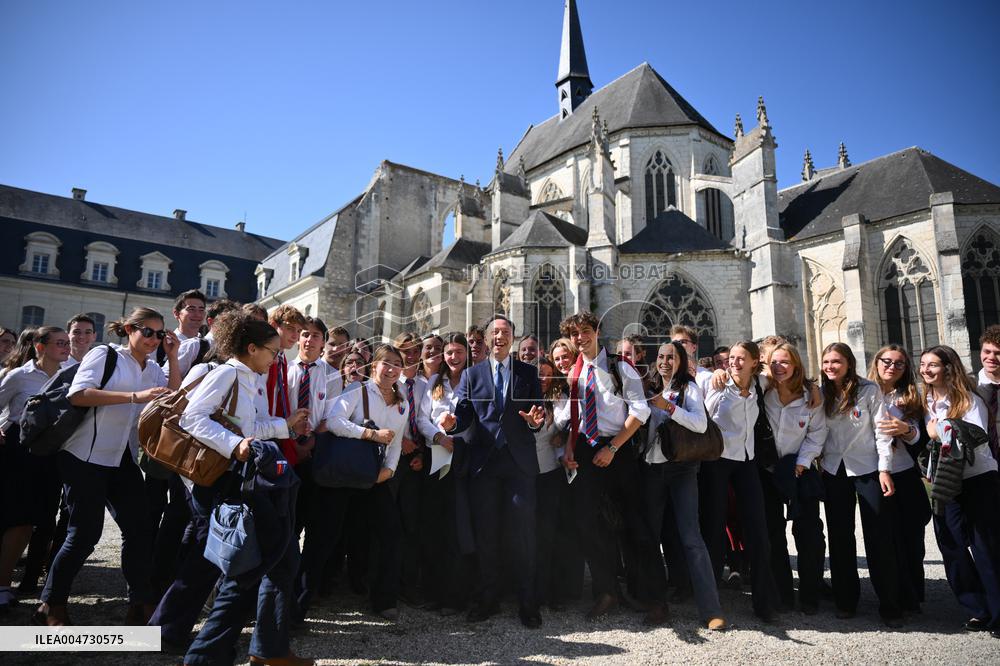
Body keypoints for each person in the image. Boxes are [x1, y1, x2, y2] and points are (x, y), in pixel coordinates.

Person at [151, 311, 307, 656]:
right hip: (212, 480)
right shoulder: (225, 374)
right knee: (220, 557)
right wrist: (233, 445)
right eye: (273, 351)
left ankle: (173, 633)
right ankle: (176, 636)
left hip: (230, 478)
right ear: (252, 348)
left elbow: (250, 429)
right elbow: (192, 417)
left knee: (215, 557)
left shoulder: (252, 378)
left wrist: (286, 426)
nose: (276, 357)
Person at [35, 307, 181, 627]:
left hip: (121, 457)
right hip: (82, 455)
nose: (154, 339)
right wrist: (134, 396)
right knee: (85, 534)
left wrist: (172, 357)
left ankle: (140, 603)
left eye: (160, 333)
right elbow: (79, 394)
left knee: (140, 530)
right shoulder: (105, 353)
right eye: (148, 332)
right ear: (129, 329)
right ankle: (51, 602)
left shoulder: (153, 367)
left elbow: (173, 396)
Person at [440, 315, 545, 627]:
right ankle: (489, 598)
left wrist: (535, 422)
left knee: (523, 533)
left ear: (512, 338)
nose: (500, 336)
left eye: (506, 332)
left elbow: (537, 412)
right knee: (486, 534)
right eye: (494, 332)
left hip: (519, 463)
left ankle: (528, 602)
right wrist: (453, 424)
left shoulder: (528, 372)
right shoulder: (473, 374)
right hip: (485, 465)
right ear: (486, 339)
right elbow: (464, 414)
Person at [297, 344, 408, 621]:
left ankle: (384, 600)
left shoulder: (402, 402)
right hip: (343, 475)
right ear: (375, 367)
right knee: (323, 540)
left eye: (397, 363)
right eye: (387, 363)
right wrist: (369, 435)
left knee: (391, 535)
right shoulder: (357, 391)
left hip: (374, 478)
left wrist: (390, 471)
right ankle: (296, 606)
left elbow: (395, 441)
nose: (392, 368)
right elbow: (333, 422)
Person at [555, 312, 651, 620]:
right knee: (588, 524)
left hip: (617, 447)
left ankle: (648, 596)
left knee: (633, 524)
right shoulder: (576, 372)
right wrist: (570, 448)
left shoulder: (620, 367)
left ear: (597, 331)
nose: (580, 338)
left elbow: (640, 411)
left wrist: (612, 447)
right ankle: (606, 590)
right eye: (574, 334)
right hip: (586, 449)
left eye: (585, 331)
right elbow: (577, 417)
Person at [641, 341, 726, 629]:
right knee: (650, 538)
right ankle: (655, 604)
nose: (665, 361)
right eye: (661, 357)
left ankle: (710, 609)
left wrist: (668, 407)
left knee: (692, 538)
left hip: (681, 470)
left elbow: (700, 425)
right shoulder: (647, 388)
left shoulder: (689, 389)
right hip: (651, 470)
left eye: (671, 357)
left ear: (680, 362)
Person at [819, 342, 902, 627]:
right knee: (840, 538)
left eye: (836, 361)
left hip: (867, 468)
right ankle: (846, 601)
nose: (830, 366)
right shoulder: (820, 393)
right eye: (827, 361)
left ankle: (890, 605)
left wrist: (884, 470)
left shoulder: (869, 390)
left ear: (849, 363)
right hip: (834, 469)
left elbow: (881, 432)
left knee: (878, 537)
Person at [920, 345, 1000, 637]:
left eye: (933, 365)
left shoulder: (968, 399)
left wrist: (938, 431)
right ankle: (976, 609)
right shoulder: (927, 399)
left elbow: (977, 439)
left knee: (986, 547)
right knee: (951, 544)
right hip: (945, 481)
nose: (926, 370)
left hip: (977, 478)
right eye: (923, 364)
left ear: (948, 368)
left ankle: (998, 612)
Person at [700, 340, 780, 622]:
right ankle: (710, 603)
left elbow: (789, 376)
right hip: (718, 462)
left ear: (755, 362)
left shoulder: (760, 383)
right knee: (714, 530)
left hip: (747, 461)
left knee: (758, 531)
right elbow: (703, 418)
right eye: (731, 358)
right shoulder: (717, 383)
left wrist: (814, 389)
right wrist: (716, 382)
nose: (733, 362)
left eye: (740, 358)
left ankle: (764, 602)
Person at [0, 326, 70, 611]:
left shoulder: (71, 376)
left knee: (33, 521)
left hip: (51, 452)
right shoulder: (19, 375)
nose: (66, 347)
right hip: (18, 450)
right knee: (14, 519)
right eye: (59, 343)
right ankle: (3, 585)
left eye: (67, 342)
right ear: (40, 347)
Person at [760, 343, 827, 614]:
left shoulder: (810, 397)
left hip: (801, 471)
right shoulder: (764, 392)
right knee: (773, 534)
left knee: (809, 533)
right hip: (769, 470)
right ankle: (783, 594)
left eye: (785, 362)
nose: (779, 367)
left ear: (797, 366)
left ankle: (810, 595)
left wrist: (801, 463)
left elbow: (817, 433)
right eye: (774, 362)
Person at [868, 344, 930, 613]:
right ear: (877, 362)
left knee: (912, 537)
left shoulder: (911, 396)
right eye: (887, 361)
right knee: (885, 538)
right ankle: (891, 595)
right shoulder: (864, 392)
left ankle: (913, 594)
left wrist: (907, 431)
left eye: (899, 364)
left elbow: (922, 440)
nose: (892, 367)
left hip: (904, 472)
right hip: (875, 472)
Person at [416, 332, 474, 614]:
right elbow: (421, 419)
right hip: (436, 457)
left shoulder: (474, 380)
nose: (453, 357)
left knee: (459, 529)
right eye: (449, 353)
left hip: (464, 459)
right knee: (435, 527)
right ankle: (436, 592)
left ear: (467, 353)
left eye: (458, 352)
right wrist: (439, 437)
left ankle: (458, 595)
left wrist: (456, 435)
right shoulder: (434, 383)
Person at [393, 331, 429, 606]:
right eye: (406, 351)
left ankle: (408, 583)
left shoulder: (423, 385)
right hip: (392, 458)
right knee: (390, 524)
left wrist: (420, 452)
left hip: (416, 459)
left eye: (416, 350)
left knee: (413, 523)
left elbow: (427, 420)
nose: (412, 355)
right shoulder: (390, 383)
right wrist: (400, 440)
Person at [287, 317, 330, 538]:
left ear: (323, 343)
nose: (309, 340)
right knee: (286, 516)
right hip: (287, 447)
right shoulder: (284, 370)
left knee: (310, 514)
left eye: (315, 336)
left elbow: (332, 415)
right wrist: (293, 441)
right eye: (305, 334)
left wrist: (311, 442)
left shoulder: (332, 375)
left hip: (316, 451)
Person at [533, 356, 568, 612]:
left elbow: (569, 424)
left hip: (550, 474)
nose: (542, 379)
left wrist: (562, 433)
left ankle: (551, 591)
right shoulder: (520, 401)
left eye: (546, 374)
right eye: (537, 374)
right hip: (525, 475)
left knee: (549, 534)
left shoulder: (559, 401)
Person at [266, 305, 308, 466]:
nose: (295, 336)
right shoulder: (266, 358)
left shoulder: (282, 358)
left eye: (298, 331)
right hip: (262, 430)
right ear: (275, 325)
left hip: (276, 429)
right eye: (290, 328)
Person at [975, 324, 1000, 462]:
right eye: (987, 351)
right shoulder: (970, 388)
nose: (991, 357)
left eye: (997, 353)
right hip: (983, 462)